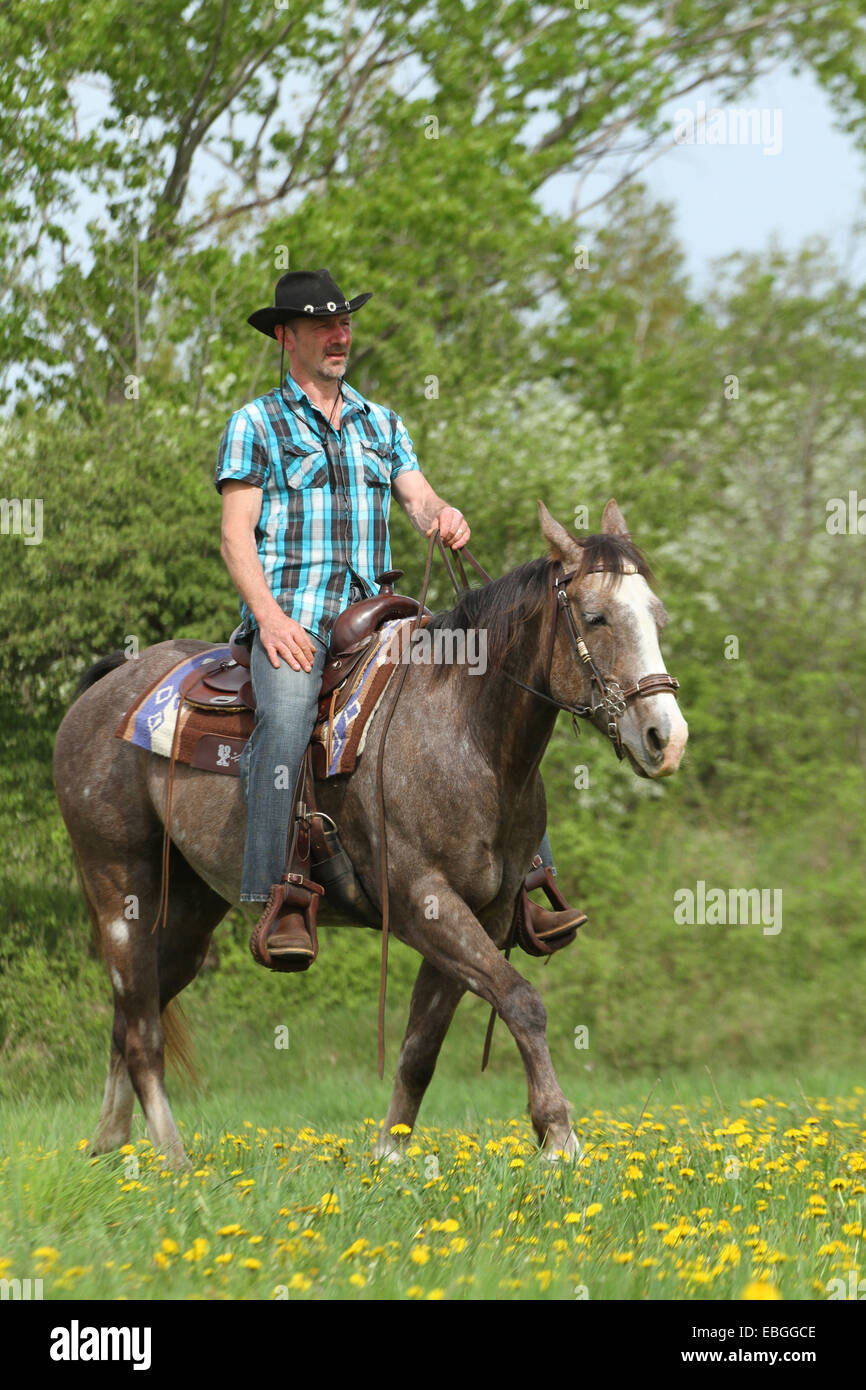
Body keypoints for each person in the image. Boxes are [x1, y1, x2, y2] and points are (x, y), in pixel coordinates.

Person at [215, 268, 583, 960]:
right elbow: (236, 536)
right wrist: (267, 619)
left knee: (493, 687)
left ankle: (525, 882)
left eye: (344, 322)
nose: (339, 334)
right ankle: (280, 892)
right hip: (295, 620)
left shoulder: (380, 423)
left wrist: (441, 515)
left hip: (378, 619)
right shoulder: (255, 425)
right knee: (288, 717)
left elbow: (417, 498)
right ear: (285, 338)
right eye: (322, 326)